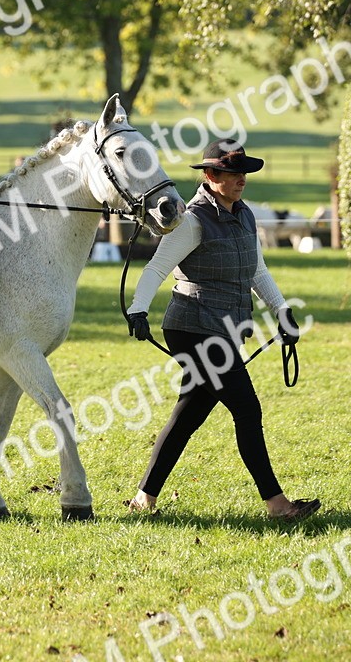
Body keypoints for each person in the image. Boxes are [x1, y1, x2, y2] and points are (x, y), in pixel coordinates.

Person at [123, 139, 320, 522]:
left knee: (188, 416)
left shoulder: (246, 216)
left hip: (224, 327)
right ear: (211, 176)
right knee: (247, 409)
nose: (240, 179)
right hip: (193, 327)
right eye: (232, 173)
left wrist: (281, 311)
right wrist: (138, 309)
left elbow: (257, 271)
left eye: (243, 172)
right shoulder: (192, 220)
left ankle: (143, 499)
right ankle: (278, 505)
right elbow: (157, 268)